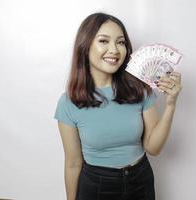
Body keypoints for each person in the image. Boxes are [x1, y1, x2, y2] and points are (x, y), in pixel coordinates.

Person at [54, 12, 182, 200]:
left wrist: (170, 104)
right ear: (85, 46)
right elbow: (73, 163)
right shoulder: (68, 103)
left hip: (141, 179)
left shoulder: (139, 90)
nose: (114, 49)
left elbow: (153, 148)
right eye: (104, 41)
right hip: (97, 186)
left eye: (120, 42)